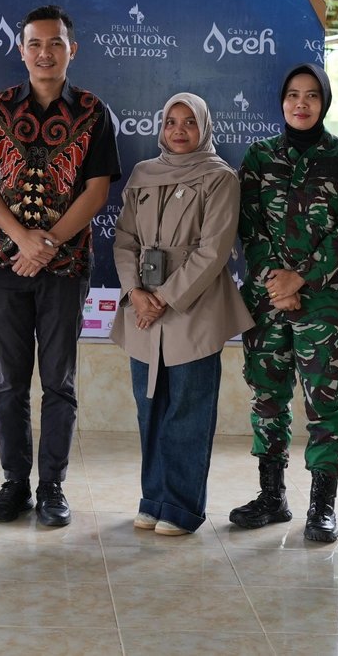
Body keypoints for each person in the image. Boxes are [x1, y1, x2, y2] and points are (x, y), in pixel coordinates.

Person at [0, 5, 120, 528]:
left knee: (59, 381)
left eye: (55, 43)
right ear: (21, 50)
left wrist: (49, 243)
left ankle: (52, 485)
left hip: (66, 266)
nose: (45, 53)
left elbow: (97, 191)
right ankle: (14, 483)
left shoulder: (94, 113)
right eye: (34, 43)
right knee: (10, 383)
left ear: (71, 50)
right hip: (3, 263)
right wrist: (21, 239)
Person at [229, 64, 338, 542]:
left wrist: (302, 279)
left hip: (324, 305)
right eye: (293, 94)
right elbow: (248, 227)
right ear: (282, 101)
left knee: (324, 402)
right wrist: (277, 283)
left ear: (324, 102)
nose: (301, 104)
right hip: (267, 300)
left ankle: (322, 507)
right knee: (267, 398)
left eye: (312, 95)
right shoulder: (259, 157)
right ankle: (272, 498)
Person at [112, 93, 251, 536]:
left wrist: (165, 298)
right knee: (149, 408)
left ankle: (181, 508)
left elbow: (214, 250)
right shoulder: (143, 174)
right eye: (171, 121)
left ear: (204, 127)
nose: (178, 130)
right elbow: (124, 239)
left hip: (194, 307)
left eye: (189, 122)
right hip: (141, 308)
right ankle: (152, 500)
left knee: (188, 411)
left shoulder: (220, 177)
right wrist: (136, 292)